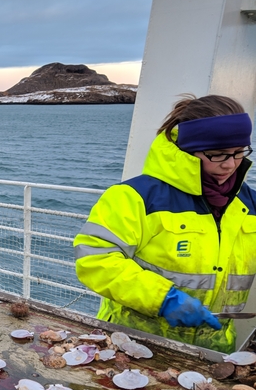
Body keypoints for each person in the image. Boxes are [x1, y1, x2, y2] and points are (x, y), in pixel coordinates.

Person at [74, 94, 256, 356]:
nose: (230, 164)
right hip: (130, 343)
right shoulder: (134, 197)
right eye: (217, 155)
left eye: (240, 152)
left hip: (214, 352)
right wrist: (162, 299)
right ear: (188, 150)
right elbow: (94, 259)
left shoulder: (250, 204)